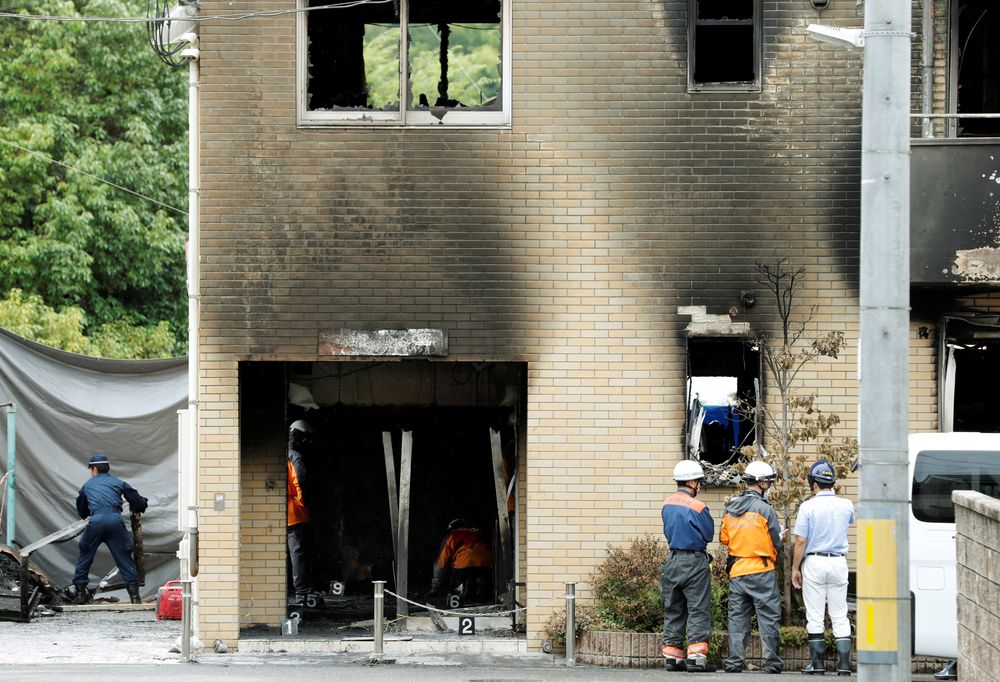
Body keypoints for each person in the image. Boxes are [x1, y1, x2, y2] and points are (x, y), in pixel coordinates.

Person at [791, 460, 856, 676]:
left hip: (815, 562)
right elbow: (849, 522)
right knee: (839, 614)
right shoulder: (846, 505)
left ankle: (818, 665)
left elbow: (800, 541)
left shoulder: (807, 506)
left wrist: (795, 568)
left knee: (816, 615)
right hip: (838, 561)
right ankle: (844, 666)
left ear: (814, 484)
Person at [720, 460, 784, 674]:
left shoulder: (730, 509)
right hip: (762, 570)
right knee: (768, 617)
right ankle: (772, 663)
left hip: (738, 571)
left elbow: (724, 539)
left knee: (737, 619)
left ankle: (735, 662)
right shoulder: (765, 509)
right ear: (762, 483)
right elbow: (776, 541)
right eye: (769, 482)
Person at [660, 459, 715, 672]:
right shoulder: (699, 507)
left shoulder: (666, 504)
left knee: (673, 609)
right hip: (694, 561)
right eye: (699, 482)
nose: (700, 486)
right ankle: (696, 659)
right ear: (692, 482)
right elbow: (708, 535)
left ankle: (672, 658)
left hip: (672, 560)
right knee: (698, 609)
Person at [72, 453, 148, 605]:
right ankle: (135, 597)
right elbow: (138, 502)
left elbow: (82, 510)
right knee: (125, 558)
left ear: (94, 469)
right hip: (115, 522)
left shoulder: (87, 486)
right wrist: (141, 504)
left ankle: (80, 594)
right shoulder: (118, 482)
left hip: (96, 522)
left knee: (85, 556)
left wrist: (89, 514)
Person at [430, 518, 493, 603]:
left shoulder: (452, 535)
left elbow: (441, 563)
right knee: (484, 588)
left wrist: (435, 586)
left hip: (463, 563)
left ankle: (457, 602)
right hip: (486, 563)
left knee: (455, 588)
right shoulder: (480, 532)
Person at [287, 419, 315, 606]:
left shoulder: (280, 454)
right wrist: (303, 503)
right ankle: (303, 593)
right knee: (298, 554)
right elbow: (300, 483)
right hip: (294, 514)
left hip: (284, 513)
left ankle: (294, 591)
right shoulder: (295, 456)